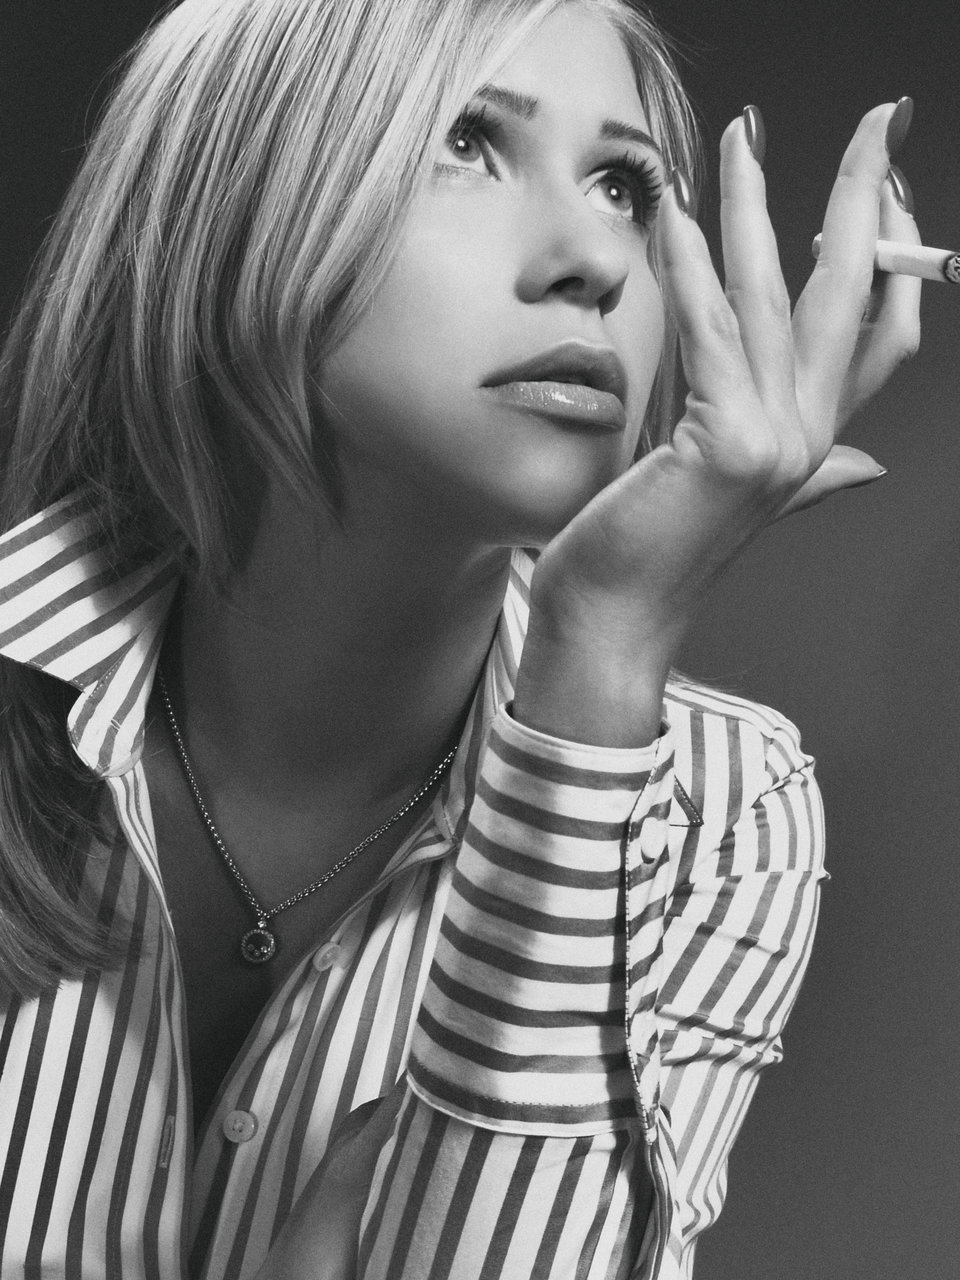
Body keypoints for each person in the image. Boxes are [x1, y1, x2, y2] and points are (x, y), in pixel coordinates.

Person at [0, 0, 921, 1276]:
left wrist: (601, 643)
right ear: (225, 203)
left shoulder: (722, 811)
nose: (593, 261)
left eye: (623, 186)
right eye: (468, 144)